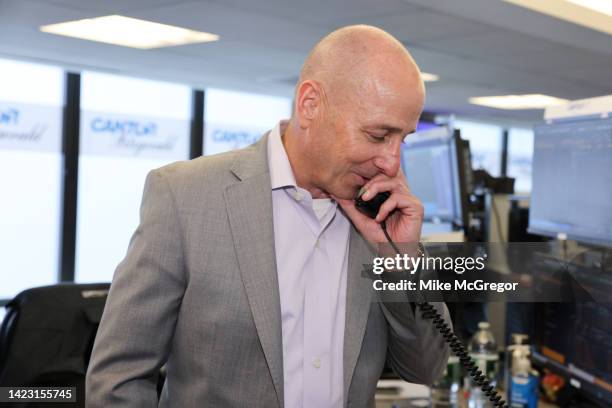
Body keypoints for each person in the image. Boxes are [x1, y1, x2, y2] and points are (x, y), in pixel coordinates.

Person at [86, 25, 451, 408]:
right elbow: (117, 379)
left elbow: (426, 370)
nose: (391, 162)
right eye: (378, 136)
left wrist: (402, 262)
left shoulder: (381, 221)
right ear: (310, 104)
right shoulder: (185, 197)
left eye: (402, 140)